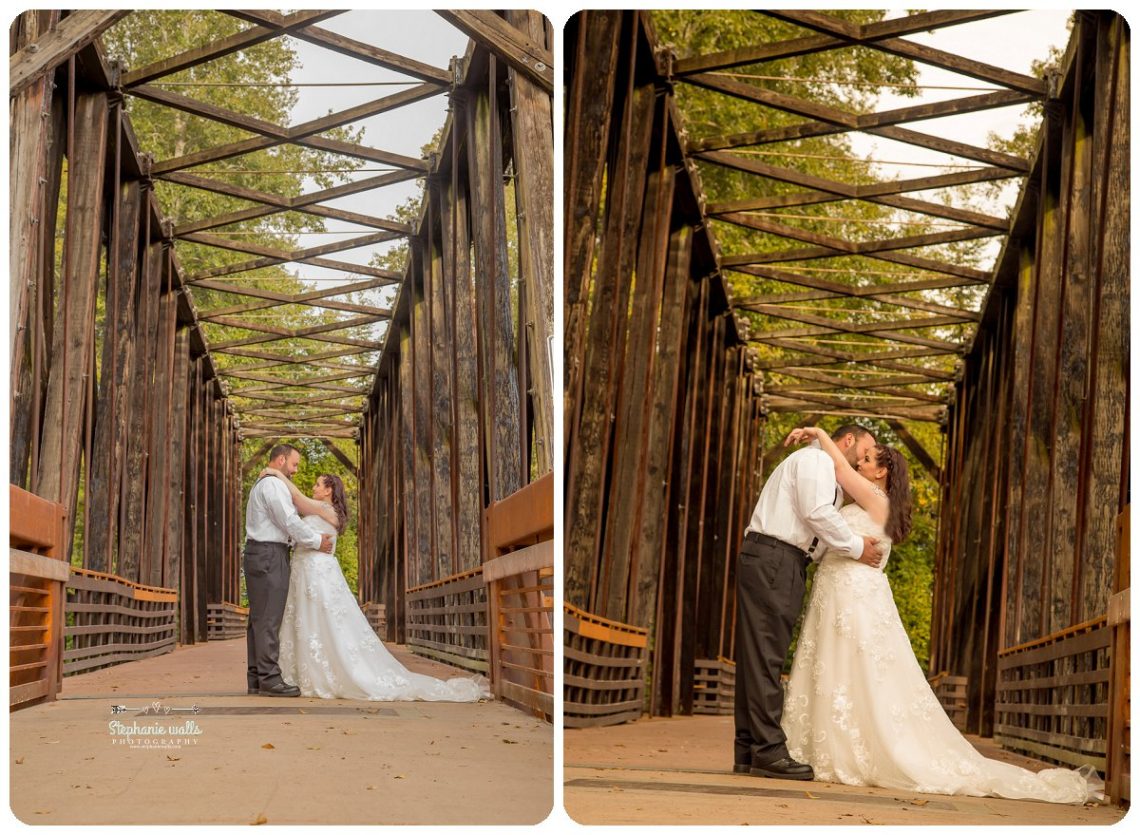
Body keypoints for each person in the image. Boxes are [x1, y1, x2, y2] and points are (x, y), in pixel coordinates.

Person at [780, 425, 1101, 803]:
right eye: (862, 458)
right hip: (838, 590)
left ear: (882, 472)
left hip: (852, 594)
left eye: (867, 459)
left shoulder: (876, 498)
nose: (860, 462)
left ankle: (850, 749)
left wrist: (818, 431)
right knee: (836, 666)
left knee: (854, 667)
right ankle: (828, 744)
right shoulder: (868, 502)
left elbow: (838, 469)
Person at [259, 467, 489, 702]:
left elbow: (296, 498)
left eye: (319, 484)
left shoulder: (327, 510)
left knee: (320, 619)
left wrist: (277, 474)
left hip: (317, 572)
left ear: (328, 490)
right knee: (308, 619)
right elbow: (289, 513)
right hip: (305, 570)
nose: (315, 487)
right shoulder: (321, 510)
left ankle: (324, 674)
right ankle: (304, 673)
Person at [734, 424, 883, 780]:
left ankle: (748, 748)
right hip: (776, 558)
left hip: (777, 559)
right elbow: (817, 513)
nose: (866, 456)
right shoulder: (815, 462)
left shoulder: (823, 469)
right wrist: (858, 547)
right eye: (866, 449)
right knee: (766, 656)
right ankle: (768, 751)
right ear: (849, 439)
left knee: (757, 656)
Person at [244, 443, 334, 697]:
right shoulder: (272, 485)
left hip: (262, 553)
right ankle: (270, 679)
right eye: (294, 464)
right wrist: (317, 541)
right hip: (269, 555)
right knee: (269, 619)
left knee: (259, 619)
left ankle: (257, 678)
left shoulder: (269, 483)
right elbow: (288, 520)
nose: (295, 470)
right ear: (281, 460)